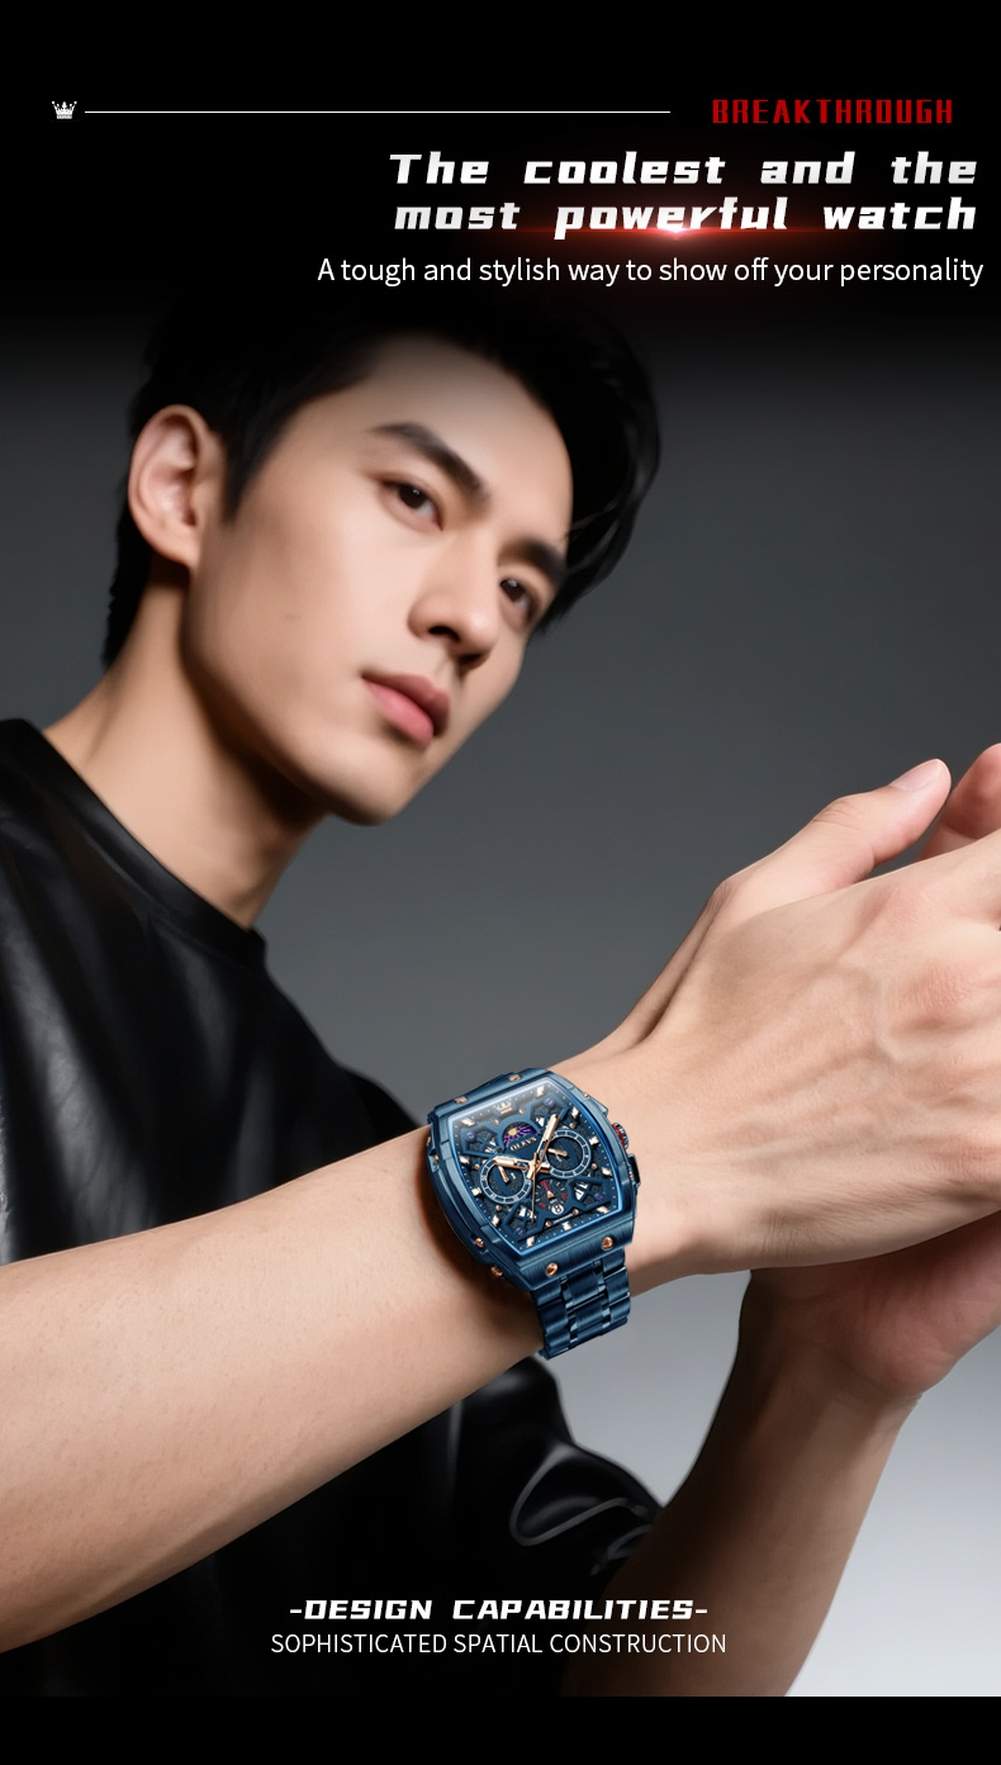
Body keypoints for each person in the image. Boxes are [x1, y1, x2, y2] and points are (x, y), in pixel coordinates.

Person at [3, 279, 1001, 1699]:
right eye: (415, 497)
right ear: (181, 485)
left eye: (525, 588)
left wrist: (831, 1372)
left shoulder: (348, 1148)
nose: (474, 618)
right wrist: (670, 1130)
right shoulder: (437, 1205)